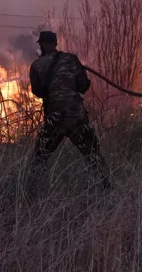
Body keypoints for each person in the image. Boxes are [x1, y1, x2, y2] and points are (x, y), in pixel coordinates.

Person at [27, 31, 112, 191]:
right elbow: (83, 86)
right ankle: (106, 189)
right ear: (55, 44)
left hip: (55, 120)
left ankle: (29, 193)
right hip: (76, 117)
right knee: (93, 154)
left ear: (43, 45)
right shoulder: (71, 59)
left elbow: (38, 92)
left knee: (39, 157)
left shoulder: (37, 65)